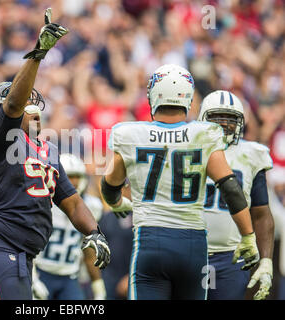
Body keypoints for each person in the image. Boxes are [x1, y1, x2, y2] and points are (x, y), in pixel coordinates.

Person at [0, 8, 110, 300]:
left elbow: (70, 201)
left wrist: (94, 232)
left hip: (23, 255)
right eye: (24, 106)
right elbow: (12, 107)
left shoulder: (46, 150)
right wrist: (38, 54)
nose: (33, 111)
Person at [101, 64, 260, 300]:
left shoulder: (129, 133)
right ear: (188, 97)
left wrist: (117, 203)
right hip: (193, 246)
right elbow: (230, 187)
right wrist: (247, 235)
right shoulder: (204, 134)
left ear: (153, 95)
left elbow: (110, 185)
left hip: (151, 242)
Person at [198, 90, 275, 300]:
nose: (223, 125)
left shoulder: (251, 154)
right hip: (189, 251)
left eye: (230, 119)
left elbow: (261, 212)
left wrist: (266, 261)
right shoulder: (188, 149)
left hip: (232, 255)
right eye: (217, 118)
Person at [33, 153, 107, 300]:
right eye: (69, 177)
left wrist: (98, 285)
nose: (73, 182)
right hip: (42, 271)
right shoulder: (42, 204)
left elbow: (88, 248)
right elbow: (27, 244)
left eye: (77, 177)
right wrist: (33, 278)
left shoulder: (92, 206)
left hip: (70, 277)